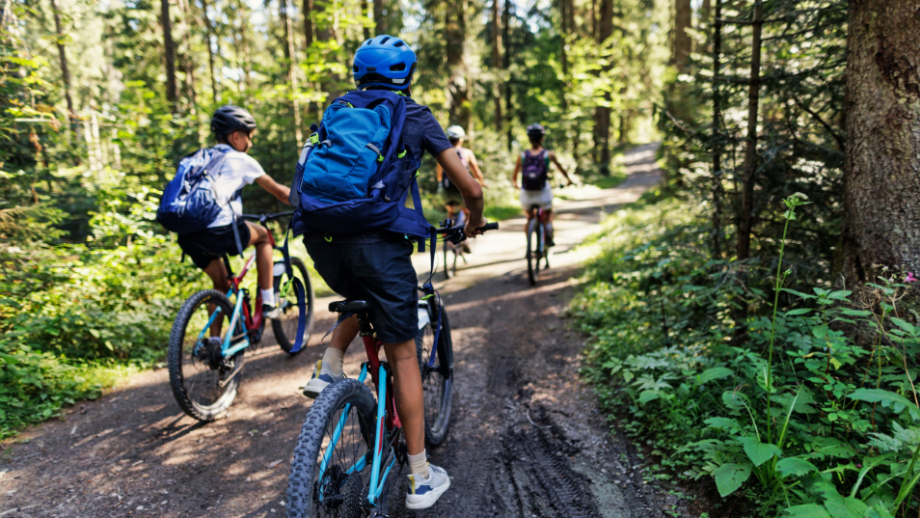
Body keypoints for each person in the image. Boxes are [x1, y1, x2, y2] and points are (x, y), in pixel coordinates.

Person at [300, 35, 484, 510]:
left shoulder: (337, 108)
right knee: (404, 355)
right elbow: (470, 189)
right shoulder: (416, 115)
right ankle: (421, 478)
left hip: (321, 240)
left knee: (362, 295)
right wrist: (473, 223)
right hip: (377, 244)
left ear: (358, 72)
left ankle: (328, 367)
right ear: (407, 74)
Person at [176, 105, 292, 320]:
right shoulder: (240, 159)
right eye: (249, 137)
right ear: (236, 136)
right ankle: (268, 302)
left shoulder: (198, 157)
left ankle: (213, 341)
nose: (251, 143)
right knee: (265, 237)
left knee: (220, 286)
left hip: (189, 235)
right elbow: (281, 193)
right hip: (220, 230)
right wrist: (312, 203)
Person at [511, 123, 573, 247]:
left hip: (527, 194)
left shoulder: (522, 156)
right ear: (542, 138)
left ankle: (529, 244)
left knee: (529, 218)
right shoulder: (548, 154)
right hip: (543, 193)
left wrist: (516, 185)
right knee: (548, 213)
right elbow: (562, 170)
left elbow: (514, 177)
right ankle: (548, 229)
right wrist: (568, 180)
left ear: (529, 139)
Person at [436, 125, 486, 225]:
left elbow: (439, 176)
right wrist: (482, 182)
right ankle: (466, 235)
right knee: (467, 212)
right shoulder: (467, 153)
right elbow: (476, 172)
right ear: (461, 139)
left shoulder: (441, 153)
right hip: (462, 192)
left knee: (450, 211)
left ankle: (448, 235)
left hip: (446, 193)